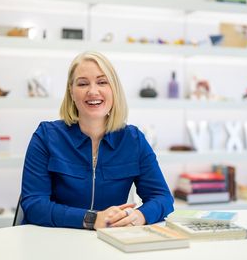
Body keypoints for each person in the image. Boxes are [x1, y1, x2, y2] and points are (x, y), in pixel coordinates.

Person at [21, 51, 174, 230]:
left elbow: (163, 198)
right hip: (54, 241)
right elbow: (33, 204)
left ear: (113, 89)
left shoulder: (134, 140)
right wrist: (91, 219)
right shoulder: (46, 136)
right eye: (83, 83)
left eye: (102, 82)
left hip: (109, 242)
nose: (93, 91)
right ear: (71, 91)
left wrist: (139, 216)